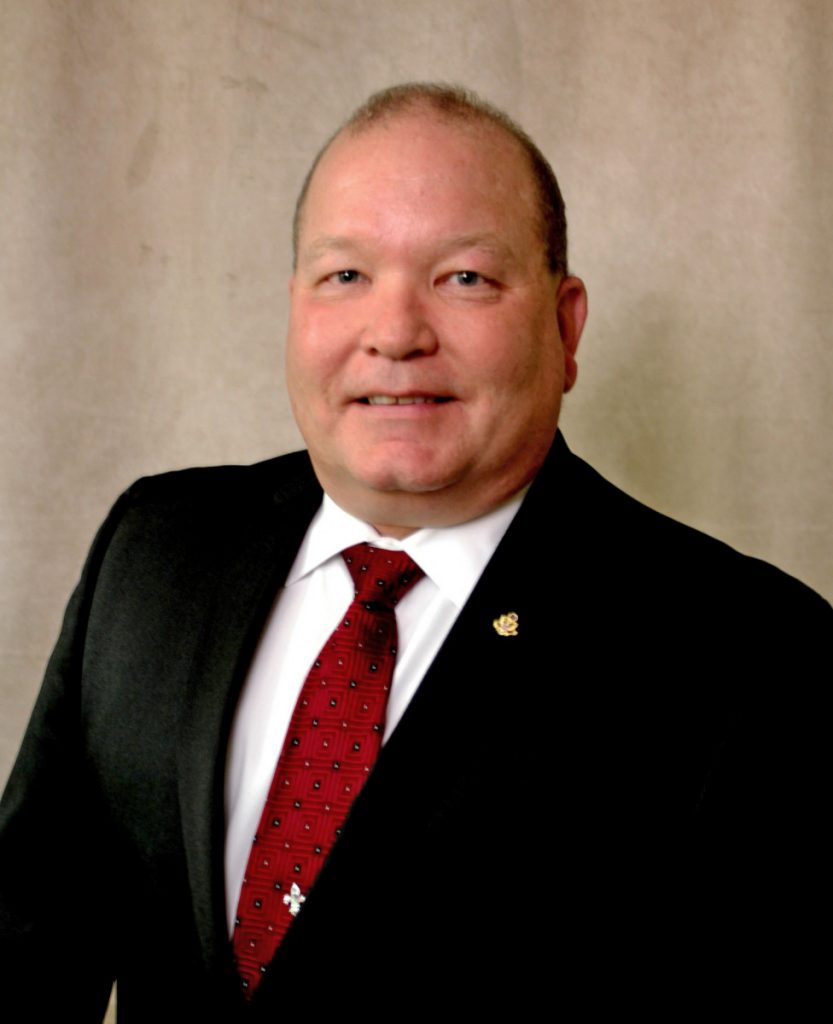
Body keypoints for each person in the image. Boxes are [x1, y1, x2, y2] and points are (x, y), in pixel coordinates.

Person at [1, 83, 829, 1020]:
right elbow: (26, 946)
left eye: (464, 278)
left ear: (565, 327)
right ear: (293, 308)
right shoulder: (156, 548)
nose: (394, 334)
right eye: (344, 276)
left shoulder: (751, 657)